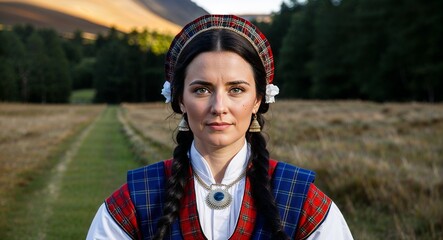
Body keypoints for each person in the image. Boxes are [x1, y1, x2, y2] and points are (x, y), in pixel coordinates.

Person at [87, 14, 353, 240]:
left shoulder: (300, 198)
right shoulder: (135, 199)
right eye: (201, 89)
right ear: (180, 98)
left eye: (236, 89)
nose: (219, 106)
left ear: (258, 99)